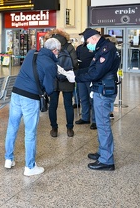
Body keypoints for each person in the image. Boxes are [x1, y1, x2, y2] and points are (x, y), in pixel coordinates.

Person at [66, 28, 121, 171]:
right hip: (100, 89)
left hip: (103, 91)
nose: (87, 45)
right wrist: (75, 73)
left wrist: (76, 78)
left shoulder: (106, 50)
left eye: (88, 41)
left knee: (103, 125)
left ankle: (107, 161)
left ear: (94, 39)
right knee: (102, 124)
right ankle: (103, 152)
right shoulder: (102, 48)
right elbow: (92, 69)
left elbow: (96, 73)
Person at [4, 38, 60, 176]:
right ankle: (30, 167)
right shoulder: (50, 64)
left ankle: (8, 159)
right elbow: (49, 88)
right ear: (55, 50)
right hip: (30, 98)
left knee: (12, 127)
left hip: (16, 93)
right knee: (30, 132)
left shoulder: (31, 53)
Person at [45, 29, 79, 137]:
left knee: (53, 105)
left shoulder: (49, 45)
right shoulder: (69, 47)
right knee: (68, 105)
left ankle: (54, 129)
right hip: (67, 79)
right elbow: (74, 63)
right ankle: (70, 129)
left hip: (53, 79)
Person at [75, 38, 97, 130]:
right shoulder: (80, 48)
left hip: (90, 76)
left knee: (92, 99)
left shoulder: (95, 47)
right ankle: (85, 117)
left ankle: (95, 120)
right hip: (81, 76)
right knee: (83, 98)